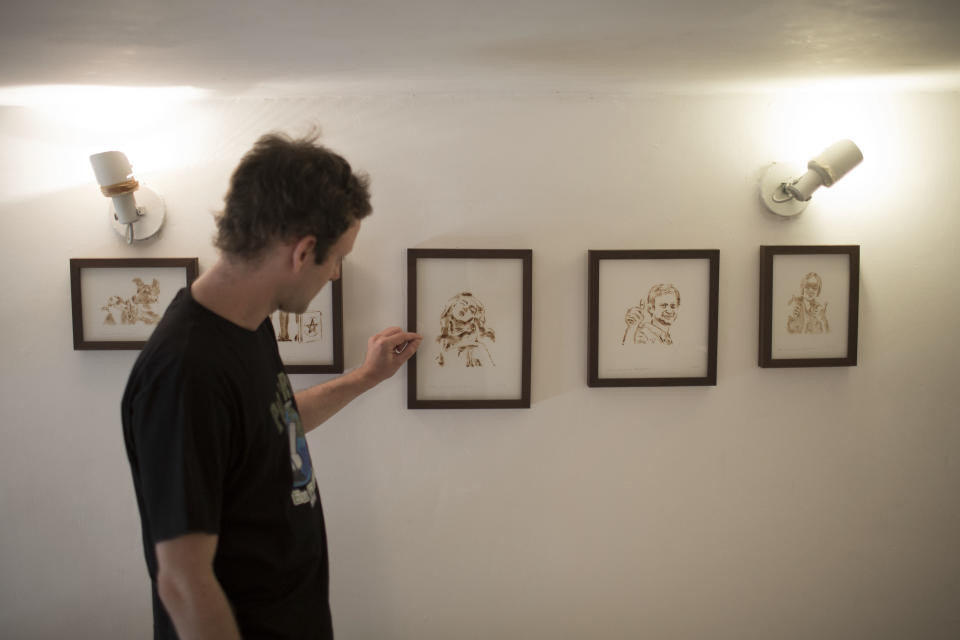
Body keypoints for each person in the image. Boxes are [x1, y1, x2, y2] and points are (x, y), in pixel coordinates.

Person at [121, 131, 422, 639]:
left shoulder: (247, 326)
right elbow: (183, 581)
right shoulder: (185, 370)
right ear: (304, 251)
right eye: (337, 258)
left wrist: (364, 379)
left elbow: (269, 428)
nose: (335, 274)